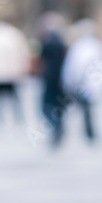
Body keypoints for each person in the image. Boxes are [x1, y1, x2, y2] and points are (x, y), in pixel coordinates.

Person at [59, 19, 102, 145]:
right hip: (92, 84)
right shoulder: (97, 45)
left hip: (83, 84)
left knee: (75, 110)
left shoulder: (80, 45)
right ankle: (89, 134)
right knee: (87, 110)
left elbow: (74, 66)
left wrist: (69, 81)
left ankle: (69, 133)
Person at [36, 12, 68, 146]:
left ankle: (57, 128)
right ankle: (58, 128)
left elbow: (43, 61)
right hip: (60, 81)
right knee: (57, 107)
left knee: (45, 108)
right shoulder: (61, 43)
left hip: (50, 80)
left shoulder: (49, 43)